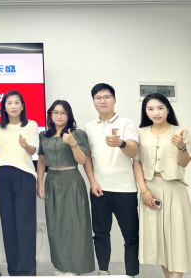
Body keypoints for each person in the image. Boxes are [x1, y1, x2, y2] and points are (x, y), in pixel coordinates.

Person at [84, 83, 139, 277]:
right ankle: (103, 271)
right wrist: (92, 182)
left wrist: (120, 143)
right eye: (98, 98)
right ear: (93, 102)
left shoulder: (126, 123)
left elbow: (134, 151)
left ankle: (131, 273)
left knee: (130, 235)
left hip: (125, 188)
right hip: (99, 188)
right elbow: (87, 158)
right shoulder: (89, 127)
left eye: (107, 97)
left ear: (114, 100)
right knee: (100, 234)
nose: (103, 101)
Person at [133, 93, 191, 278]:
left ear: (167, 109)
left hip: (174, 189)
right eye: (150, 109)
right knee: (159, 242)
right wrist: (144, 190)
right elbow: (136, 162)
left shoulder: (180, 131)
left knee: (177, 239)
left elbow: (184, 162)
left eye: (160, 108)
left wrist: (181, 146)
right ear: (145, 112)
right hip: (150, 190)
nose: (156, 113)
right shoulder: (140, 133)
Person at [37, 100, 95, 276]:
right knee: (55, 225)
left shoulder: (78, 134)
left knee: (75, 224)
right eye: (55, 112)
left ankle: (75, 268)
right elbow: (41, 160)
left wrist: (73, 143)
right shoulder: (44, 135)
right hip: (51, 180)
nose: (59, 116)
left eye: (63, 112)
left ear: (69, 115)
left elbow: (82, 160)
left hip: (72, 180)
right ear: (50, 115)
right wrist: (40, 182)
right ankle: (61, 266)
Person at [0, 90, 39, 277]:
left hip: (25, 175)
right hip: (4, 174)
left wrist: (25, 145)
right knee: (8, 223)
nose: (13, 106)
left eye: (17, 102)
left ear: (22, 106)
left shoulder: (31, 125)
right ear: (4, 107)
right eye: (9, 103)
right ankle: (14, 271)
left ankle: (27, 271)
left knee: (25, 224)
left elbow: (33, 150)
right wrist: (7, 159)